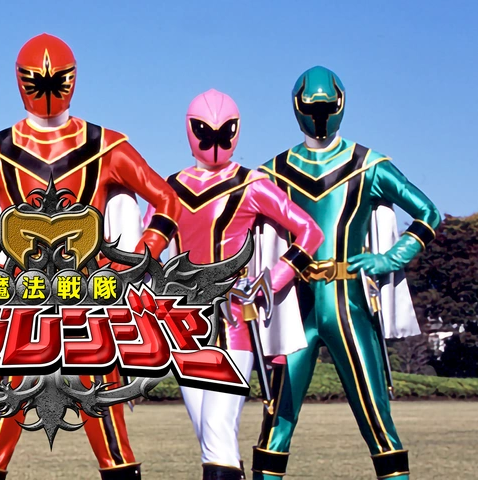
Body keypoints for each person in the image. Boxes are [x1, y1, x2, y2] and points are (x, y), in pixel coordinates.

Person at [0, 33, 182, 480]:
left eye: (55, 80)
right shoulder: (1, 150)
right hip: (33, 302)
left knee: (101, 425)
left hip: (81, 300)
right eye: (36, 81)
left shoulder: (103, 146)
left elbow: (167, 201)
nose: (46, 90)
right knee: (6, 423)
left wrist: (137, 258)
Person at [251, 66, 441, 480]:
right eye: (312, 107)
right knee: (275, 425)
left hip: (348, 303)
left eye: (325, 106)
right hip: (296, 307)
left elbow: (428, 213)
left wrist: (390, 258)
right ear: (298, 108)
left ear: (339, 105)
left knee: (378, 420)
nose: (318, 115)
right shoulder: (271, 173)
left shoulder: (368, 165)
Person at [144, 89, 323, 480]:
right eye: (205, 131)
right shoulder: (169, 188)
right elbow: (147, 251)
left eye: (224, 131)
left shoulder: (252, 184)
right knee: (210, 435)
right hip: (183, 325)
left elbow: (309, 231)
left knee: (216, 429)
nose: (214, 141)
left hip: (233, 322)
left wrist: (270, 281)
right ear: (190, 130)